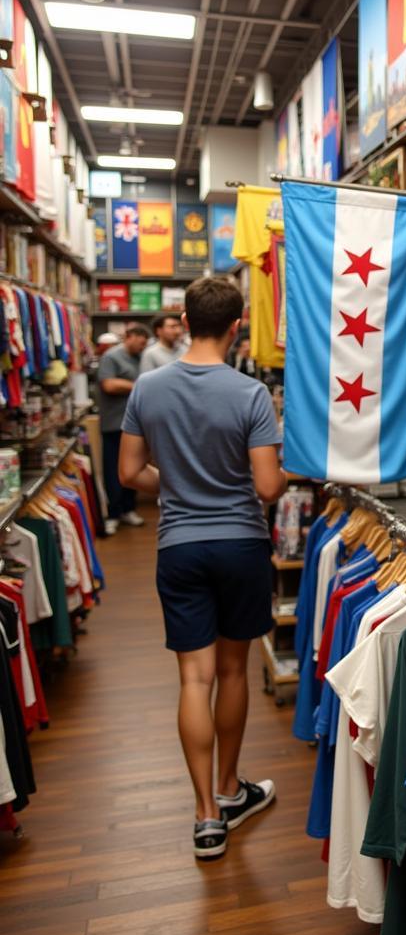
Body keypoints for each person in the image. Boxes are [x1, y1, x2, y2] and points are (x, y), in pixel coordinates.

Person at [118, 278, 288, 861]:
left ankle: (206, 816)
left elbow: (129, 474)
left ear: (184, 320)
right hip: (240, 543)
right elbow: (267, 486)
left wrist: (178, 487)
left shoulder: (148, 386)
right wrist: (281, 468)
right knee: (234, 673)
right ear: (237, 325)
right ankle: (229, 786)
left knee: (195, 678)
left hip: (179, 546)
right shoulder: (249, 395)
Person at [98, 324, 150, 535]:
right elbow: (108, 385)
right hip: (114, 423)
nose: (142, 346)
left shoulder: (141, 357)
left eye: (145, 344)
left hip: (136, 424)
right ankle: (113, 513)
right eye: (140, 341)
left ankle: (128, 509)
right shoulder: (111, 356)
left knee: (135, 468)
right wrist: (139, 385)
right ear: (129, 337)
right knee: (114, 470)